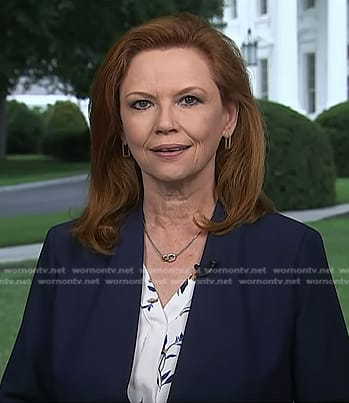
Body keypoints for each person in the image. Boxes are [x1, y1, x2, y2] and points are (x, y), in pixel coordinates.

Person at [0, 12, 348, 403]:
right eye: (142, 103)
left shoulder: (291, 255)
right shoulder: (67, 254)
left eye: (188, 100)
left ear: (228, 118)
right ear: (121, 127)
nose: (165, 122)